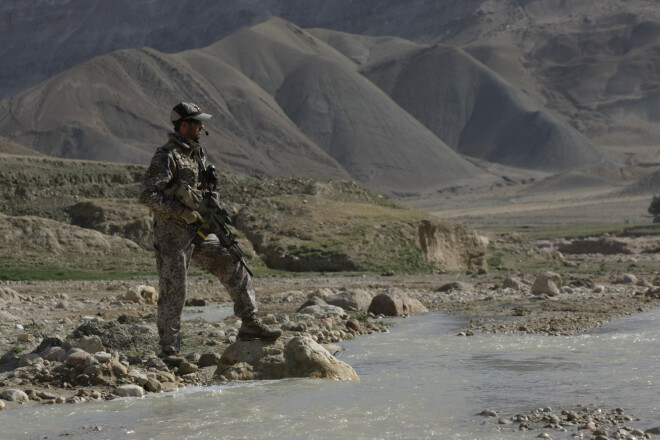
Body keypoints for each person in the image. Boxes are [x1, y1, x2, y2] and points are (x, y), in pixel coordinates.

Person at [138, 102, 282, 357]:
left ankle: (249, 323)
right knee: (174, 290)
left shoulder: (198, 155)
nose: (202, 126)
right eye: (197, 122)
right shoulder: (167, 155)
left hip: (199, 230)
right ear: (184, 125)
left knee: (234, 262)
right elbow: (147, 195)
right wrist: (181, 211)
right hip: (172, 236)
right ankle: (169, 350)